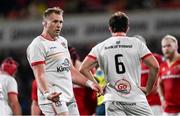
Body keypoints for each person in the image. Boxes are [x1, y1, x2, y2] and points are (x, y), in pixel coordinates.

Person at [79, 11, 159, 115]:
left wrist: (97, 85)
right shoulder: (136, 43)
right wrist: (148, 89)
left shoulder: (100, 47)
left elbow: (83, 68)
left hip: (112, 100)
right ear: (127, 28)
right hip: (135, 98)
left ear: (110, 29)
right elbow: (155, 66)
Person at [26, 7, 102, 115]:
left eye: (61, 22)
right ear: (44, 23)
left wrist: (90, 83)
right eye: (55, 21)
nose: (59, 25)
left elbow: (70, 70)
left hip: (69, 96)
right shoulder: (37, 45)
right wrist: (47, 94)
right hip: (54, 96)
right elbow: (40, 75)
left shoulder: (62, 41)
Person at [135, 35, 163, 115]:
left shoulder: (156, 58)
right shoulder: (131, 64)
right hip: (139, 104)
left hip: (155, 103)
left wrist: (159, 85)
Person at [158, 35, 180, 116]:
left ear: (176, 46)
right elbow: (159, 83)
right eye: (163, 46)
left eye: (169, 46)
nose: (166, 48)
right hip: (167, 110)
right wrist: (162, 99)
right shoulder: (162, 66)